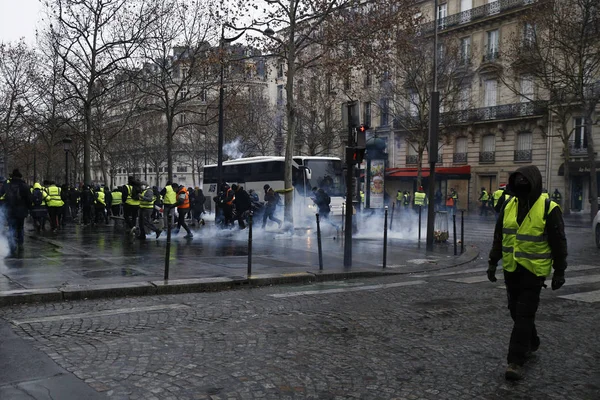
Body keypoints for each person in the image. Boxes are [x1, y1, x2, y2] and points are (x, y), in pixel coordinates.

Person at [487, 165, 567, 381]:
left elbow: (559, 242)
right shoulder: (509, 205)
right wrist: (493, 262)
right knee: (515, 311)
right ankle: (532, 341)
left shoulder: (549, 208)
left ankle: (515, 361)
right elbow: (499, 236)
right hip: (512, 269)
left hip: (533, 272)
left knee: (524, 314)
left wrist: (560, 271)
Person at [0, 169, 31, 254]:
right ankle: (20, 244)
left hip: (10, 211)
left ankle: (12, 245)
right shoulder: (25, 186)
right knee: (20, 228)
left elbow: (1, 194)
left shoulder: (7, 185)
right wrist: (29, 209)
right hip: (22, 211)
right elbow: (29, 200)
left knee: (12, 228)